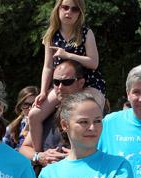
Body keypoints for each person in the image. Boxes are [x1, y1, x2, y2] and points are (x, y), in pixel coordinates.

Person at [29, 0, 106, 153]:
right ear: (58, 9)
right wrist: (43, 91)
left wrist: (67, 55)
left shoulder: (85, 32)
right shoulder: (51, 35)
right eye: (65, 7)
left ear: (80, 13)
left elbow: (93, 62)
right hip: (61, 84)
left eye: (75, 9)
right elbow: (48, 66)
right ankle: (38, 154)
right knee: (34, 115)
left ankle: (95, 152)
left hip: (89, 82)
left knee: (92, 111)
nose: (69, 12)